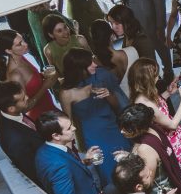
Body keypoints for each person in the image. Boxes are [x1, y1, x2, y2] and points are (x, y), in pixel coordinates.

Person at [34, 111, 116, 194]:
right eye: (69, 128)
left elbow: (69, 171)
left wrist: (84, 162)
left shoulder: (45, 150)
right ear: (56, 136)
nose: (74, 128)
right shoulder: (57, 164)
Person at [56, 48, 130, 185]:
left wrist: (109, 95)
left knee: (128, 162)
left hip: (114, 128)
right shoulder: (67, 93)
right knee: (108, 171)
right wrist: (72, 152)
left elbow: (117, 106)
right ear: (79, 68)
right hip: (94, 136)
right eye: (90, 63)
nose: (95, 64)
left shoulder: (100, 76)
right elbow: (67, 122)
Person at [127, 58, 181, 187]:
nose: (158, 76)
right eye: (155, 75)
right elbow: (172, 125)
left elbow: (158, 106)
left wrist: (168, 92)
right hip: (171, 143)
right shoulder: (144, 104)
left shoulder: (144, 94)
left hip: (176, 138)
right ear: (147, 79)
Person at [117, 103, 181, 194]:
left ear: (139, 128)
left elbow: (147, 182)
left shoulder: (144, 149)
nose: (121, 131)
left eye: (127, 129)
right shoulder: (151, 127)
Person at [113, 0, 173, 79]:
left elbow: (159, 1)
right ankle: (155, 78)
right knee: (145, 52)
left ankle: (168, 72)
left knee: (160, 47)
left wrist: (160, 26)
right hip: (132, 23)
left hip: (150, 22)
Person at [0, 30, 58, 124]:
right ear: (9, 51)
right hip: (42, 117)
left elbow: (30, 81)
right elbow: (24, 108)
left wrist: (42, 75)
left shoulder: (21, 57)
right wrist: (45, 86)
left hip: (49, 106)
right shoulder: (15, 75)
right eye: (19, 44)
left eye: (23, 40)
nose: (25, 44)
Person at [0, 81, 45, 185]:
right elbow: (33, 171)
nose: (27, 97)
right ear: (11, 108)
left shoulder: (1, 110)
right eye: (23, 99)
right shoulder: (16, 141)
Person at [106, 4, 166, 88]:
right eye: (111, 23)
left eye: (117, 23)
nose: (113, 27)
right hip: (141, 82)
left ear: (127, 21)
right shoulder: (127, 34)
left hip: (151, 85)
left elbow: (152, 68)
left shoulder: (141, 40)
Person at [89, 19, 138, 96]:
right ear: (112, 36)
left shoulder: (94, 64)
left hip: (120, 101)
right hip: (140, 96)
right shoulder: (132, 51)